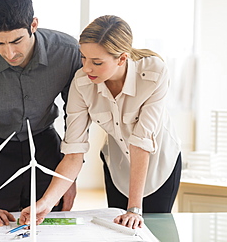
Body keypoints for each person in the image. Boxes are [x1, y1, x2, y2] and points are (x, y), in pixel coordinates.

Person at [20, 15, 182, 229]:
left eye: (97, 62)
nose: (87, 68)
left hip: (159, 165)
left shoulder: (153, 73)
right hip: (117, 166)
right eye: (83, 58)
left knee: (152, 230)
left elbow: (141, 142)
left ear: (122, 59)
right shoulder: (82, 83)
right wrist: (45, 203)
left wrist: (134, 209)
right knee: (117, 230)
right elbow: (73, 154)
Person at [0, 0, 81, 226]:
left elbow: (77, 120)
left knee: (49, 224)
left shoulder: (68, 52)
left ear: (33, 25)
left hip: (46, 146)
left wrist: (68, 178)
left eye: (16, 41)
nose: (9, 53)